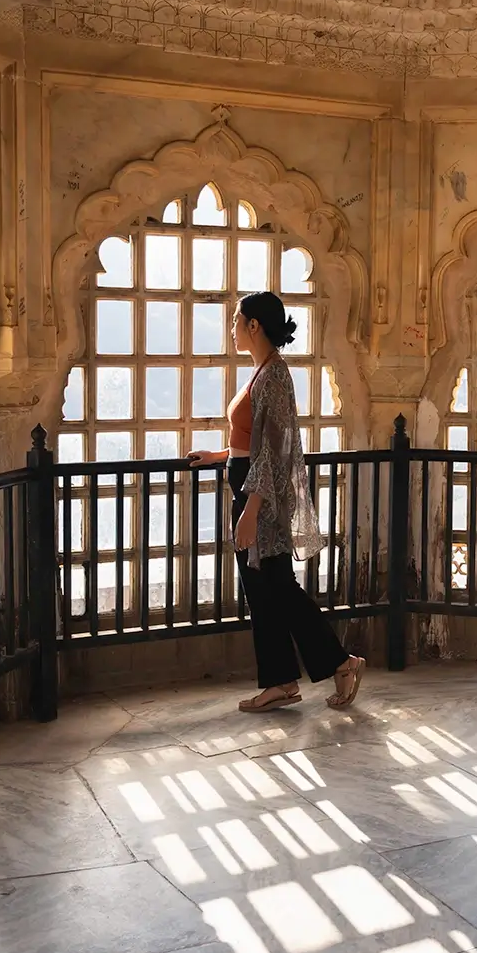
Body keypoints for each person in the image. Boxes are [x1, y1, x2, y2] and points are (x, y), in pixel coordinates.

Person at [188, 291, 366, 712]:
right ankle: (284, 680)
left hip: (261, 502)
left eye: (236, 321)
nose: (231, 329)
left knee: (278, 587)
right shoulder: (261, 372)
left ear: (254, 326)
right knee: (266, 590)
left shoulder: (275, 376)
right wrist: (219, 455)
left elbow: (273, 450)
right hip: (252, 491)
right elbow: (250, 440)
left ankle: (340, 663)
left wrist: (250, 510)